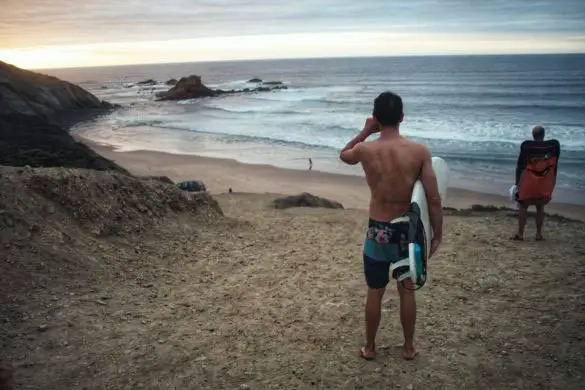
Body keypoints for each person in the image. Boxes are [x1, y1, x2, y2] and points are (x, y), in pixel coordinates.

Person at [339, 91, 443, 361]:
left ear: (376, 118)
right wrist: (437, 233)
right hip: (406, 231)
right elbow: (432, 197)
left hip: (378, 231)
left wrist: (365, 131)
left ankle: (370, 348)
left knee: (375, 291)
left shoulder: (365, 149)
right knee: (406, 289)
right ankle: (408, 348)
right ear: (402, 117)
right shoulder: (419, 152)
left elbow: (344, 155)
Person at [512, 125, 561, 241]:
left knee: (523, 206)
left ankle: (520, 234)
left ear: (533, 135)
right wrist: (553, 180)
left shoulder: (527, 146)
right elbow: (555, 164)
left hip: (529, 181)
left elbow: (520, 166)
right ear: (543, 135)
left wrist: (517, 183)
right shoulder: (553, 146)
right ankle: (538, 234)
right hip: (544, 181)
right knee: (540, 207)